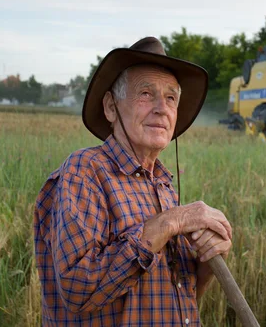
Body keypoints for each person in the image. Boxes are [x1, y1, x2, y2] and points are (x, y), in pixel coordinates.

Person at [33, 36, 233, 326]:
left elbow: (181, 297)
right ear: (111, 108)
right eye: (145, 94)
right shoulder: (85, 171)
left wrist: (207, 263)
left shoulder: (163, 185)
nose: (161, 109)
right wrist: (169, 223)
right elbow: (78, 290)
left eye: (170, 98)